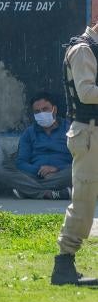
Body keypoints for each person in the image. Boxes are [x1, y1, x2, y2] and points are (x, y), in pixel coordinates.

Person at [51, 24, 98, 285]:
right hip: (89, 136)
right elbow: (87, 92)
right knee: (84, 203)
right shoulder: (83, 50)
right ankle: (64, 265)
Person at [0, 92, 72, 200]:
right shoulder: (29, 133)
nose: (41, 113)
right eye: (37, 111)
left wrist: (56, 169)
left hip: (62, 174)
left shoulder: (70, 128)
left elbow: (79, 159)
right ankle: (50, 193)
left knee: (81, 171)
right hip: (35, 175)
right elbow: (21, 162)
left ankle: (28, 191)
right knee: (1, 171)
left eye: (45, 109)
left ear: (54, 109)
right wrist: (40, 171)